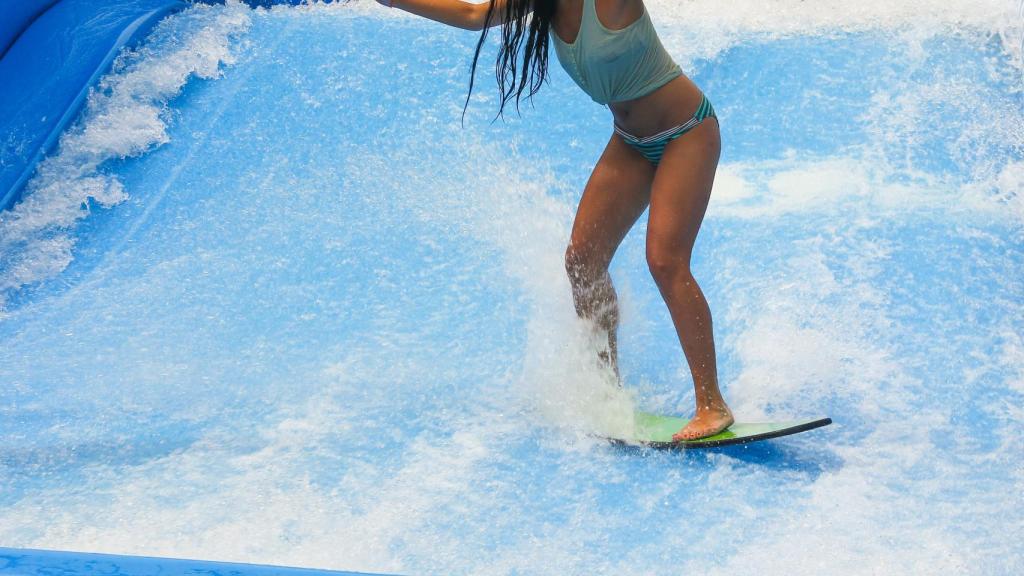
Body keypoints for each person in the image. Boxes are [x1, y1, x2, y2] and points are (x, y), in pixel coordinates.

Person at [375, 0, 733, 441]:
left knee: (665, 261)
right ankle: (607, 393)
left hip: (686, 133)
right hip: (632, 142)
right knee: (583, 259)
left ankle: (712, 405)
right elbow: (473, 16)